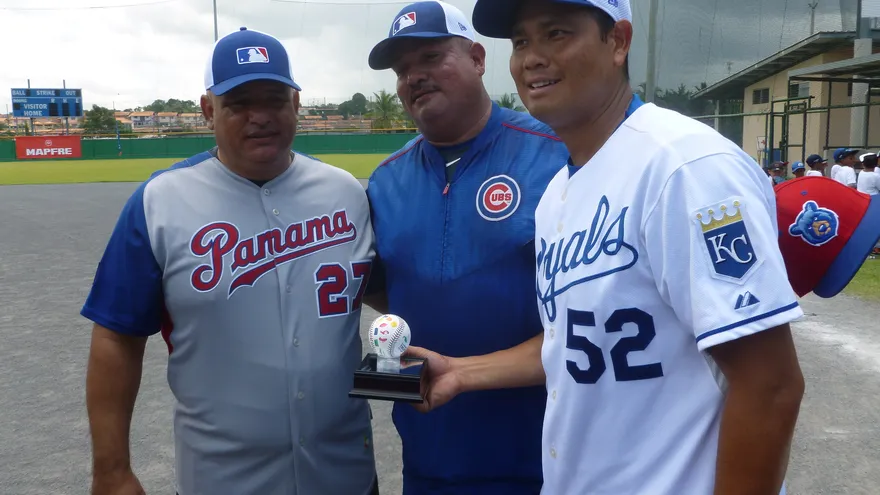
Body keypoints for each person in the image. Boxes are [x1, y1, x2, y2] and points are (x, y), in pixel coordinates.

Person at [405, 1, 806, 494]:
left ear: (618, 41)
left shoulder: (684, 166)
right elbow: (574, 342)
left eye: (556, 34)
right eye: (522, 41)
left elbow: (771, 386)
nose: (532, 58)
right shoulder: (558, 192)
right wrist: (462, 373)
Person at [82, 27, 379, 495]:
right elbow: (116, 337)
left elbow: (389, 289)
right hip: (220, 479)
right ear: (208, 110)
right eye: (240, 102)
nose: (260, 116)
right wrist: (111, 470)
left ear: (297, 104)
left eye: (275, 99)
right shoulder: (160, 202)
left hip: (344, 473)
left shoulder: (346, 192)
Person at [363, 2, 571, 494]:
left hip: (545, 458)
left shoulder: (558, 151)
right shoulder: (386, 180)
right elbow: (383, 285)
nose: (414, 76)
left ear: (478, 58)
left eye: (432, 57)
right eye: (402, 70)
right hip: (430, 456)